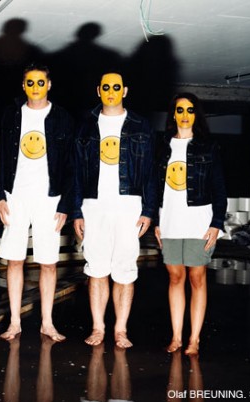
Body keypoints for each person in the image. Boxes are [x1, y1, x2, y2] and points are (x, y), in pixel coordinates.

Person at [73, 71, 156, 348]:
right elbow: (76, 171)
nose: (111, 91)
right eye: (106, 87)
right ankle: (98, 327)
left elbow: (150, 172)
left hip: (128, 205)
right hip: (93, 205)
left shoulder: (140, 125)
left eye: (116, 87)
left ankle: (120, 329)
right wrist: (76, 211)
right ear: (99, 90)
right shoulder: (86, 124)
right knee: (96, 268)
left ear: (125, 90)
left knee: (124, 269)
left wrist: (148, 210)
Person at [0, 63, 74, 342]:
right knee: (14, 260)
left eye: (41, 82)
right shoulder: (12, 114)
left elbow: (70, 164)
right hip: (15, 195)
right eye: (30, 82)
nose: (35, 87)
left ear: (49, 85)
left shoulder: (62, 117)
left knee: (48, 262)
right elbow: (0, 156)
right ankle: (15, 322)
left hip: (49, 198)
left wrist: (65, 205)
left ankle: (47, 323)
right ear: (23, 85)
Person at [153, 93, 227, 356]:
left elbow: (219, 188)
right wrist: (156, 221)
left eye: (190, 110)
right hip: (169, 220)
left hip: (199, 221)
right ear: (173, 115)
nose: (185, 115)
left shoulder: (208, 146)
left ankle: (194, 339)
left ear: (197, 115)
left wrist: (217, 223)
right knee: (175, 277)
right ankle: (176, 337)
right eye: (180, 110)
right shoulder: (162, 146)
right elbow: (154, 186)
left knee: (197, 278)